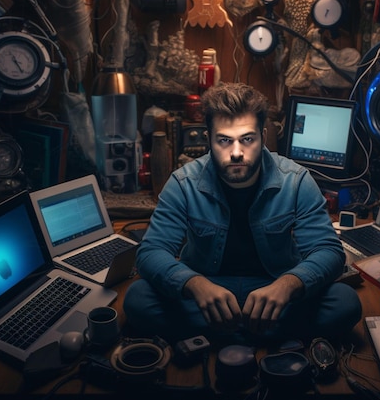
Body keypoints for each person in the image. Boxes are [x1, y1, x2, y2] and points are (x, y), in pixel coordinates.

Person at [123, 82, 362, 344]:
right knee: (138, 299)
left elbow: (328, 251)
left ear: (263, 135)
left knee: (345, 303)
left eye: (247, 139)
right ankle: (262, 334)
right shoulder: (183, 183)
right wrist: (194, 284)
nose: (236, 152)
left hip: (273, 290)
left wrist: (288, 285)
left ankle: (219, 334)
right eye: (224, 140)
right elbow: (150, 252)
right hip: (207, 292)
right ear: (209, 138)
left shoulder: (295, 180)